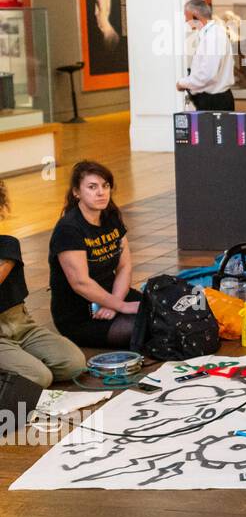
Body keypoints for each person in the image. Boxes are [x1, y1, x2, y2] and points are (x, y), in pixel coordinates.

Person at [48, 161, 141, 348]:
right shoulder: (69, 229)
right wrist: (120, 306)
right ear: (77, 192)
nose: (101, 192)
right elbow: (80, 283)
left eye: (105, 186)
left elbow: (124, 267)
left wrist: (115, 302)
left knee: (164, 312)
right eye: (92, 187)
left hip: (114, 296)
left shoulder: (111, 217)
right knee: (141, 329)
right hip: (80, 314)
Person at [0, 181, 85, 387]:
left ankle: (16, 362)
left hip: (22, 326)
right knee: (39, 378)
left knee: (74, 365)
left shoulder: (7, 244)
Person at [176, 0, 236, 111]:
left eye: (186, 17)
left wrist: (182, 83)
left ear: (195, 16)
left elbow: (207, 74)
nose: (185, 21)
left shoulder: (213, 36)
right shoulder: (210, 34)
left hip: (215, 101)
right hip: (211, 99)